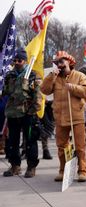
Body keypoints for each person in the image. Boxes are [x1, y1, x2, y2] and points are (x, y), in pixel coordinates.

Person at [40, 51, 86, 182]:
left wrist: (73, 87)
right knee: (62, 146)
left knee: (80, 146)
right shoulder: (55, 77)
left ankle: (82, 171)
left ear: (69, 61)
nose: (59, 64)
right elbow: (44, 90)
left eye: (61, 61)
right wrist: (51, 76)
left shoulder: (79, 75)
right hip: (60, 117)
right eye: (57, 62)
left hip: (77, 117)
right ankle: (63, 171)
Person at [2, 48, 41, 178]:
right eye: (15, 60)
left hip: (27, 113)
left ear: (25, 61)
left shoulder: (32, 75)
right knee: (12, 141)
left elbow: (37, 95)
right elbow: (6, 92)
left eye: (20, 60)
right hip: (13, 112)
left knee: (30, 140)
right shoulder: (9, 75)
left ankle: (31, 166)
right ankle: (15, 166)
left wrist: (32, 110)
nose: (17, 62)